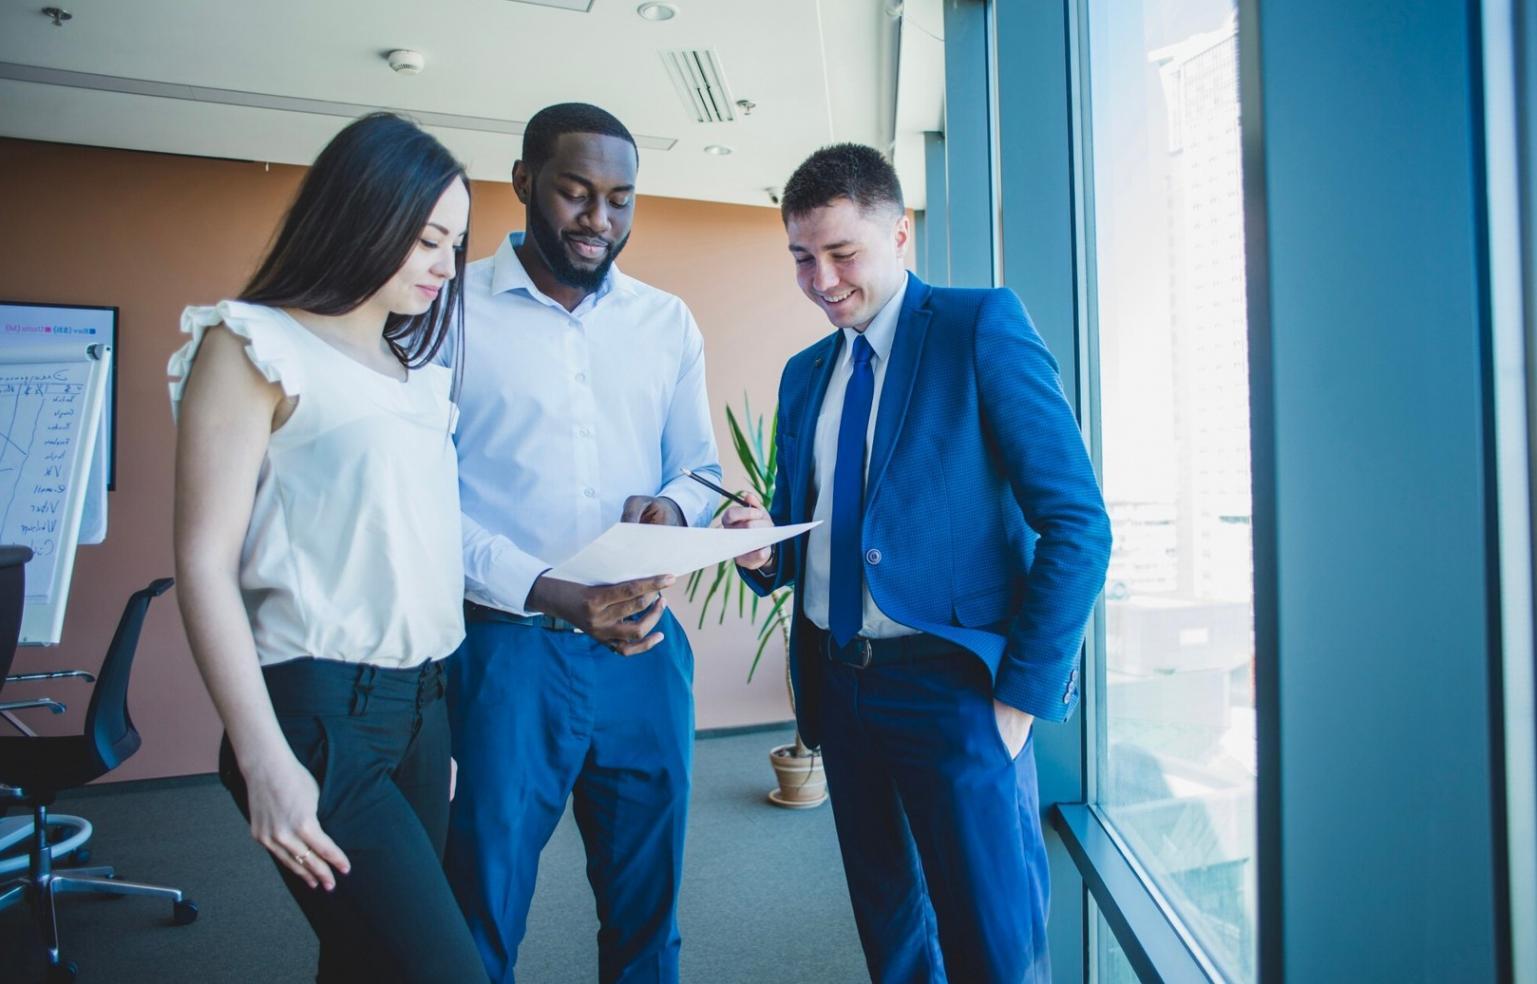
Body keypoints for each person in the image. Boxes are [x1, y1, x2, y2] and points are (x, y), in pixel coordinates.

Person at [725, 144, 1112, 983]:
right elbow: (806, 532)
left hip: (956, 690)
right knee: (891, 935)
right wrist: (759, 544)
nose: (820, 280)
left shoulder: (980, 326)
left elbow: (1078, 525)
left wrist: (1018, 700)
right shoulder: (803, 376)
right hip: (842, 686)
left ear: (899, 233)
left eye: (841, 253)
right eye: (801, 257)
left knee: (993, 948)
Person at [170, 112, 488, 984]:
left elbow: (417, 549)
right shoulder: (252, 345)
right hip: (315, 719)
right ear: (362, 215)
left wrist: (427, 717)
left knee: (365, 965)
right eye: (427, 239)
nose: (445, 266)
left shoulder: (411, 375)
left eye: (455, 243)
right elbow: (202, 562)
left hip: (419, 711)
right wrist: (261, 755)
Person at [440, 102, 721, 984]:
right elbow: (424, 501)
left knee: (647, 913)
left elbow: (702, 471)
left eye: (621, 199)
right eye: (575, 193)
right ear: (524, 184)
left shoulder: (665, 322)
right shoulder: (449, 313)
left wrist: (673, 514)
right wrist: (552, 590)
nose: (600, 220)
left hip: (643, 653)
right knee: (480, 909)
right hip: (504, 656)